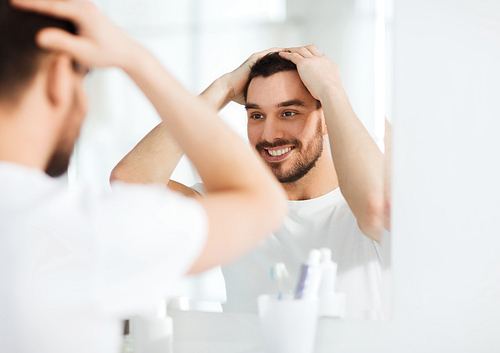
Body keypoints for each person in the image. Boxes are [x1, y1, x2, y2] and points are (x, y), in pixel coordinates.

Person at [0, 0, 288, 352]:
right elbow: (261, 203)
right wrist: (134, 58)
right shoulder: (79, 230)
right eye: (85, 77)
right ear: (60, 74)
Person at [112, 46, 392, 319]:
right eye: (256, 115)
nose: (269, 134)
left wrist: (332, 91)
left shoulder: (359, 206)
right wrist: (223, 89)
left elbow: (375, 206)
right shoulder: (240, 207)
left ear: (327, 117)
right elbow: (131, 183)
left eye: (289, 113)